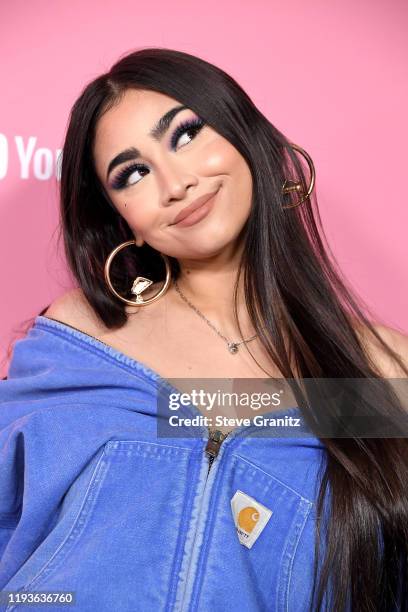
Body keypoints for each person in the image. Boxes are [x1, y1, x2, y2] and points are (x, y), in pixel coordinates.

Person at [1, 47, 407, 612]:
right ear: (123, 220)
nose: (175, 183)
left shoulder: (381, 373)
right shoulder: (80, 340)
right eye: (133, 173)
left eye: (186, 135)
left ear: (246, 135)